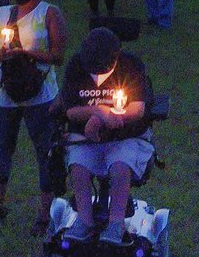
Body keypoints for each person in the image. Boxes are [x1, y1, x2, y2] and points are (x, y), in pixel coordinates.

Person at [52, 26, 156, 245]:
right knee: (78, 165)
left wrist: (104, 118)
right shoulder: (77, 66)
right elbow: (70, 110)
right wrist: (97, 111)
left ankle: (116, 223)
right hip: (86, 139)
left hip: (125, 137)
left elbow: (138, 109)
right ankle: (85, 220)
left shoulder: (131, 66)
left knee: (120, 164)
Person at [0, 0, 68, 225]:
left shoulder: (49, 14)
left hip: (40, 96)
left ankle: (45, 213)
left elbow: (58, 55)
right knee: (3, 147)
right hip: (4, 94)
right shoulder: (2, 14)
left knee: (44, 150)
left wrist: (26, 53)